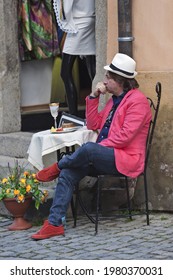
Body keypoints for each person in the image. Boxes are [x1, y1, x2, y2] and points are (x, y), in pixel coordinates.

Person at [31, 53, 152, 240]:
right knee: (69, 172)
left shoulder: (138, 101)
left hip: (125, 158)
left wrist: (97, 149)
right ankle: (54, 223)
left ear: (118, 81)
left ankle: (56, 166)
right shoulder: (114, 100)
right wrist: (93, 96)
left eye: (107, 77)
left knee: (86, 150)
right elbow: (93, 124)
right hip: (103, 154)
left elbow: (125, 137)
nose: (103, 81)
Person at [53, 0, 96, 115]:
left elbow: (66, 7)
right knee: (92, 68)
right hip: (90, 18)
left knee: (65, 72)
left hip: (79, 22)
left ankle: (73, 115)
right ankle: (95, 112)